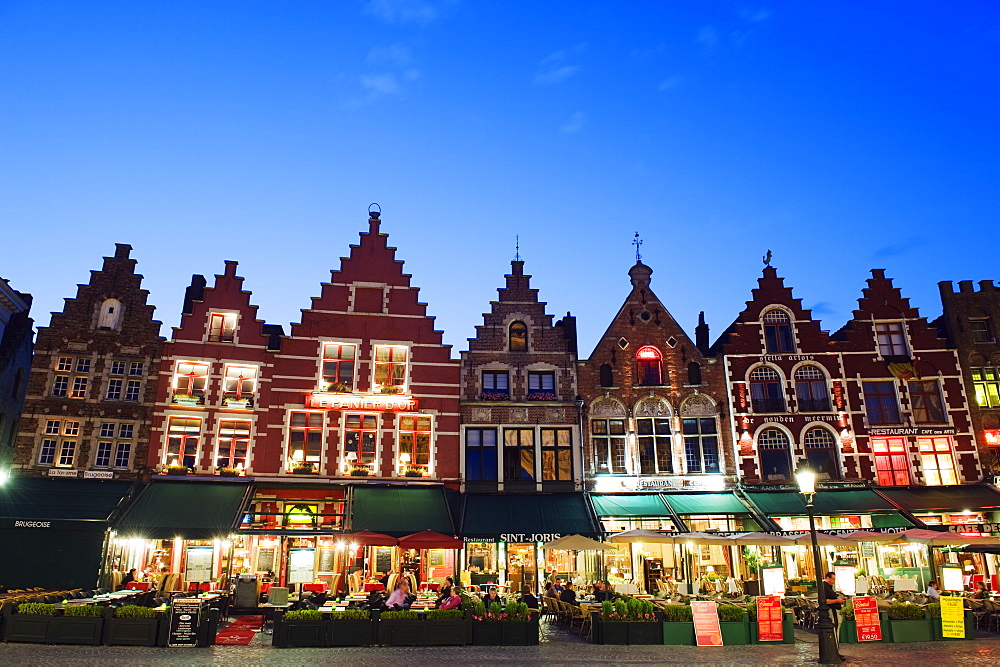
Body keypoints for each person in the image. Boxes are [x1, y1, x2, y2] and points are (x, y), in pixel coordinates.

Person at [821, 572, 846, 660]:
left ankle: (835, 651)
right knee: (834, 631)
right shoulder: (825, 587)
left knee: (836, 631)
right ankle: (834, 652)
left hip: (834, 610)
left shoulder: (828, 587)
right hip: (832, 611)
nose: (833, 581)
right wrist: (837, 601)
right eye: (832, 579)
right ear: (827, 578)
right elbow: (825, 601)